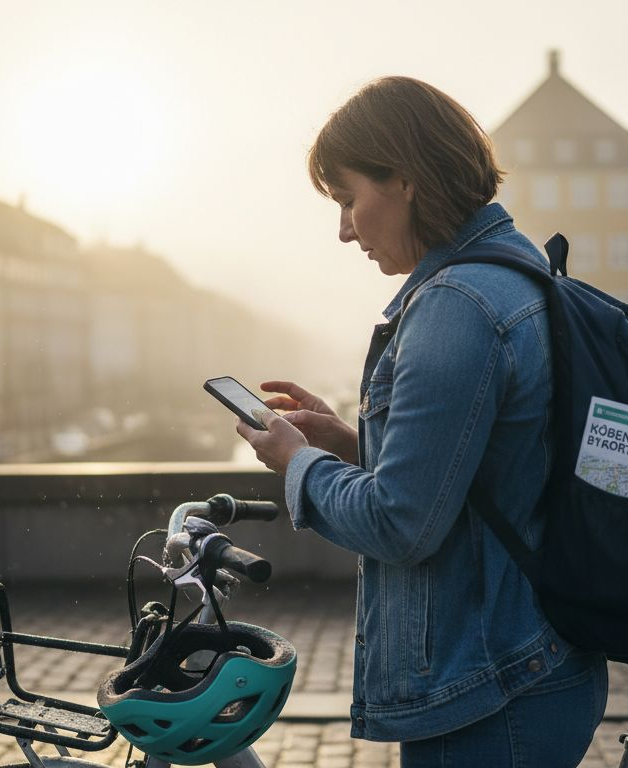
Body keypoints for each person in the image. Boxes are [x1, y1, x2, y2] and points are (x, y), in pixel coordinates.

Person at [234, 76, 607, 767]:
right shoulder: (518, 270)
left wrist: (297, 465)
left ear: (403, 180)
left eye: (349, 199)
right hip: (539, 658)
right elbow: (485, 471)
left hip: (489, 689)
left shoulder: (456, 305)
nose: (344, 229)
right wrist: (350, 445)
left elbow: (399, 524)